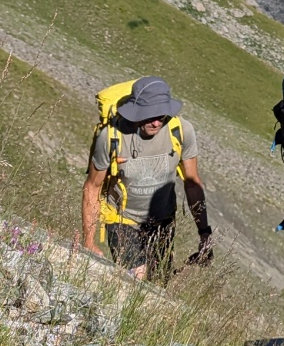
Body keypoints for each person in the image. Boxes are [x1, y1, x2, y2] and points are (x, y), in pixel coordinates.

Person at [81, 75, 213, 280]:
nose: (156, 121)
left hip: (163, 222)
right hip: (122, 219)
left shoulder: (180, 131)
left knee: (160, 283)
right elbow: (92, 187)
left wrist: (204, 232)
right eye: (149, 115)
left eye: (161, 115)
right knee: (138, 277)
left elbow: (193, 183)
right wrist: (89, 242)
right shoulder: (111, 136)